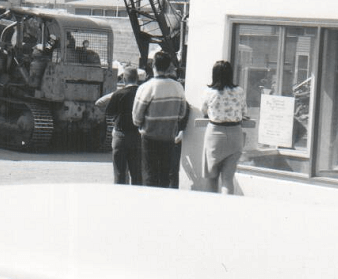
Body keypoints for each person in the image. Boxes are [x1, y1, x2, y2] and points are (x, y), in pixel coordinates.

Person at [131, 51, 189, 188]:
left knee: (150, 175)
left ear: (153, 66)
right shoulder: (178, 87)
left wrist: (142, 124)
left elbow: (136, 117)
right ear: (169, 66)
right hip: (169, 137)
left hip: (149, 137)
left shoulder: (146, 87)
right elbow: (182, 113)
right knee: (164, 175)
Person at [199, 60, 248, 194]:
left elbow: (203, 110)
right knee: (227, 179)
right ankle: (227, 210)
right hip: (235, 134)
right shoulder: (239, 91)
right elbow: (244, 112)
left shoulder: (209, 92)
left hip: (215, 134)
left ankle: (212, 210)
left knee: (212, 177)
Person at [95, 67, 142, 184]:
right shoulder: (143, 93)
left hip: (120, 136)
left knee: (119, 173)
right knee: (137, 174)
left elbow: (100, 104)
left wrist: (115, 93)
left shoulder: (118, 94)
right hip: (138, 137)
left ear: (124, 79)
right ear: (137, 78)